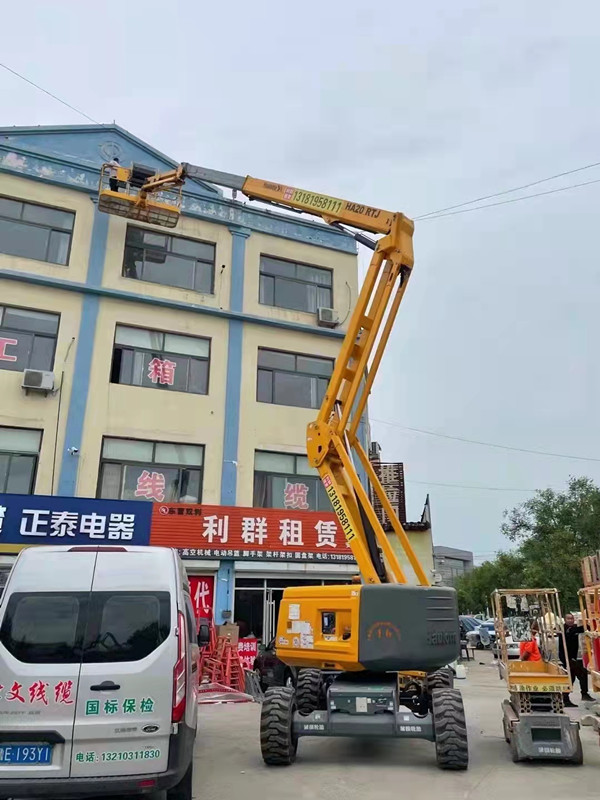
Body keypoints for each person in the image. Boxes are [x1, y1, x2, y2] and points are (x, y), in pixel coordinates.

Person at [559, 612, 593, 707]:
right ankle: (583, 694)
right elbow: (580, 629)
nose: (570, 620)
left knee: (572, 677)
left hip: (572, 658)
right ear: (565, 620)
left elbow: (580, 629)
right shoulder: (566, 629)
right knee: (581, 673)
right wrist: (588, 624)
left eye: (572, 619)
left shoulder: (572, 628)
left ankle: (566, 698)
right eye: (568, 619)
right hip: (567, 658)